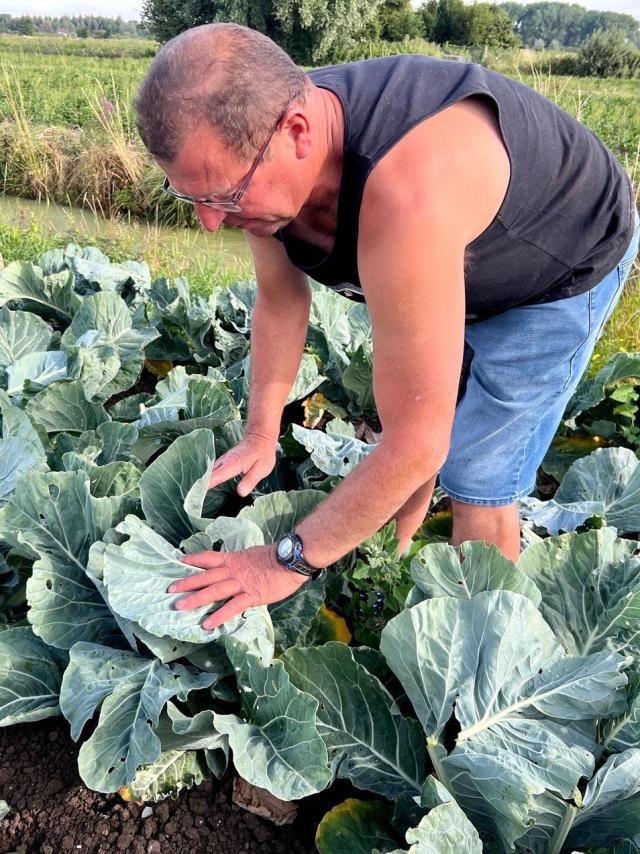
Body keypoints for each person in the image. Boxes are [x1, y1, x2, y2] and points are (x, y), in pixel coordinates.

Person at [134, 22, 640, 631]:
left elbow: (417, 441)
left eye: (224, 196)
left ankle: (483, 655)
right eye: (195, 198)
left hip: (559, 261)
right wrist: (260, 433)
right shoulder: (261, 145)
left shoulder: (405, 190)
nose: (214, 223)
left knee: (475, 474)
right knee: (416, 412)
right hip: (451, 250)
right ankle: (393, 560)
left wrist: (285, 560)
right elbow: (280, 300)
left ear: (297, 134)